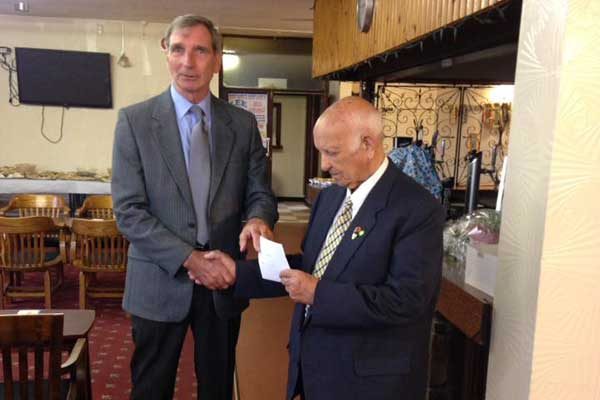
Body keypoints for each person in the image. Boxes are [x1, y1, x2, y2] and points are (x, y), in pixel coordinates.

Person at [198, 96, 445, 400]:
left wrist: (318, 293)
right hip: (315, 367)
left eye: (332, 153)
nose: (324, 165)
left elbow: (407, 301)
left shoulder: (417, 208)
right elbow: (311, 267)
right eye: (321, 152)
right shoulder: (330, 199)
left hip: (371, 382)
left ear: (368, 144)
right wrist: (238, 273)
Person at [111, 14, 277, 400]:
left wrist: (257, 219)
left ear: (216, 60)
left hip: (224, 280)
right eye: (179, 49)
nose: (189, 62)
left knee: (218, 388)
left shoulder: (241, 124)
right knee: (151, 388)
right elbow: (130, 211)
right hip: (158, 280)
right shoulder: (134, 123)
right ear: (166, 54)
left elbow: (261, 193)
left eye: (200, 50)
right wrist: (190, 258)